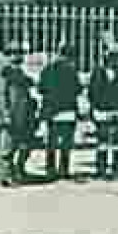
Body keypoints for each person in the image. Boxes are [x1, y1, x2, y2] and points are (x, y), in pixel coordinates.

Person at [38, 44, 82, 181]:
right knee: (66, 143)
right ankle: (64, 169)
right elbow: (78, 89)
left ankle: (50, 170)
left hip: (52, 110)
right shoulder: (71, 71)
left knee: (51, 142)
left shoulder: (48, 69)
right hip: (68, 110)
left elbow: (41, 88)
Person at [87, 47, 118, 179]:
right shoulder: (97, 73)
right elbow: (93, 92)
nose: (113, 59)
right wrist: (96, 108)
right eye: (110, 56)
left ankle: (117, 169)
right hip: (102, 110)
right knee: (102, 140)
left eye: (115, 57)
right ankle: (101, 169)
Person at [0, 62, 37, 187]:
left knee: (24, 145)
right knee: (7, 148)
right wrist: (5, 115)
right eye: (14, 53)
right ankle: (5, 175)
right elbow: (1, 96)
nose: (18, 57)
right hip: (11, 115)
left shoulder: (20, 73)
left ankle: (19, 170)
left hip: (23, 115)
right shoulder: (5, 73)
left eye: (20, 53)